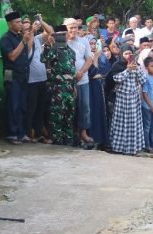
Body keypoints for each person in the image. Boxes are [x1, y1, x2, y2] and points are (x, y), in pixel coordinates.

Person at [0, 11, 32, 145]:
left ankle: (21, 132)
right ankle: (12, 133)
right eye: (17, 22)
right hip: (11, 75)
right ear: (10, 24)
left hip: (23, 74)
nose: (20, 25)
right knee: (13, 104)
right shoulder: (5, 39)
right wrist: (23, 41)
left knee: (23, 104)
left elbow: (27, 52)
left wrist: (28, 38)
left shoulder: (20, 37)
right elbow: (12, 56)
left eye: (20, 22)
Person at [42, 25, 76, 146]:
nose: (62, 36)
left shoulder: (71, 51)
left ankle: (69, 140)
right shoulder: (54, 49)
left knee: (69, 115)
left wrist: (74, 87)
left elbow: (72, 70)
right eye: (59, 34)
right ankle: (58, 141)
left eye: (64, 34)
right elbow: (44, 59)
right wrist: (48, 45)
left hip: (70, 88)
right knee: (57, 115)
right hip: (58, 88)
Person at [109, 45, 147, 155]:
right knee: (120, 124)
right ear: (121, 54)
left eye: (130, 54)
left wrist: (137, 70)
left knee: (133, 124)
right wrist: (127, 70)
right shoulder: (117, 65)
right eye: (125, 54)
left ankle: (132, 148)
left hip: (134, 99)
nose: (128, 56)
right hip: (122, 99)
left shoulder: (137, 66)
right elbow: (116, 79)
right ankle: (118, 148)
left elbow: (142, 80)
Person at [65, 17, 94, 147]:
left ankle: (83, 132)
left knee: (85, 106)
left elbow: (89, 59)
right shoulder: (62, 42)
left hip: (83, 80)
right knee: (70, 107)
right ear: (66, 28)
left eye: (75, 27)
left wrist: (81, 72)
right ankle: (70, 132)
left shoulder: (84, 41)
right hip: (67, 81)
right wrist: (72, 75)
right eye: (71, 27)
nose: (73, 30)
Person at [24, 15, 54, 143]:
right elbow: (28, 47)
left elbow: (51, 32)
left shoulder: (37, 39)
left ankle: (38, 133)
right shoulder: (24, 41)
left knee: (41, 108)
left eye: (30, 27)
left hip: (42, 79)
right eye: (26, 28)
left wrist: (41, 21)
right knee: (31, 108)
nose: (29, 29)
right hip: (30, 81)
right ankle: (29, 133)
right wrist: (31, 31)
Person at [88, 38, 111, 149]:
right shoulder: (86, 55)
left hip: (100, 87)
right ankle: (92, 138)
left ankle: (102, 140)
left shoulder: (102, 56)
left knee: (100, 111)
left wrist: (99, 75)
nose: (93, 46)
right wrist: (95, 58)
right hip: (89, 87)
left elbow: (107, 71)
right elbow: (92, 73)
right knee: (91, 112)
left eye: (94, 43)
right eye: (90, 43)